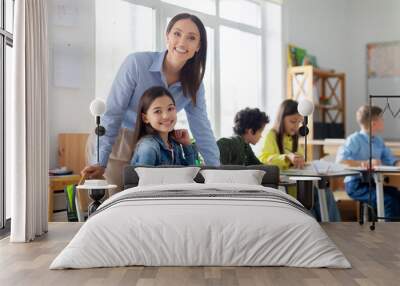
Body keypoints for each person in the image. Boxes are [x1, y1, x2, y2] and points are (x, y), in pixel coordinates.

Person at [81, 13, 219, 193]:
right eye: (177, 34)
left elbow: (202, 129)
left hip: (156, 147)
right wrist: (99, 161)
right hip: (118, 144)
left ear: (198, 46)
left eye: (191, 38)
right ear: (167, 36)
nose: (182, 42)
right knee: (119, 206)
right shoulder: (137, 63)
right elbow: (112, 114)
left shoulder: (194, 84)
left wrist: (217, 171)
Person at [259, 99, 341, 221]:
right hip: (285, 187)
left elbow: (301, 158)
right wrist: (287, 158)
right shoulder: (272, 136)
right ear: (282, 119)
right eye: (292, 121)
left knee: (324, 191)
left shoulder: (294, 138)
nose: (296, 126)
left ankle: (332, 228)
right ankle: (324, 228)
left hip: (299, 186)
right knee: (315, 201)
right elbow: (264, 159)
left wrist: (302, 161)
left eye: (299, 122)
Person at [337, 105, 400, 219]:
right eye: (382, 119)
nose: (384, 121)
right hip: (356, 185)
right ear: (373, 123)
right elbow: (340, 161)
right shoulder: (354, 140)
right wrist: (364, 163)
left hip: (373, 183)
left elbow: (389, 158)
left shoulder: (378, 140)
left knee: (397, 195)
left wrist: (397, 163)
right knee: (388, 201)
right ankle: (388, 233)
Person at [131, 86, 197, 166]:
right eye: (158, 111)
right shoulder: (148, 148)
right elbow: (145, 178)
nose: (166, 116)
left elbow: (191, 174)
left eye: (170, 109)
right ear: (145, 118)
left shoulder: (173, 144)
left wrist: (186, 144)